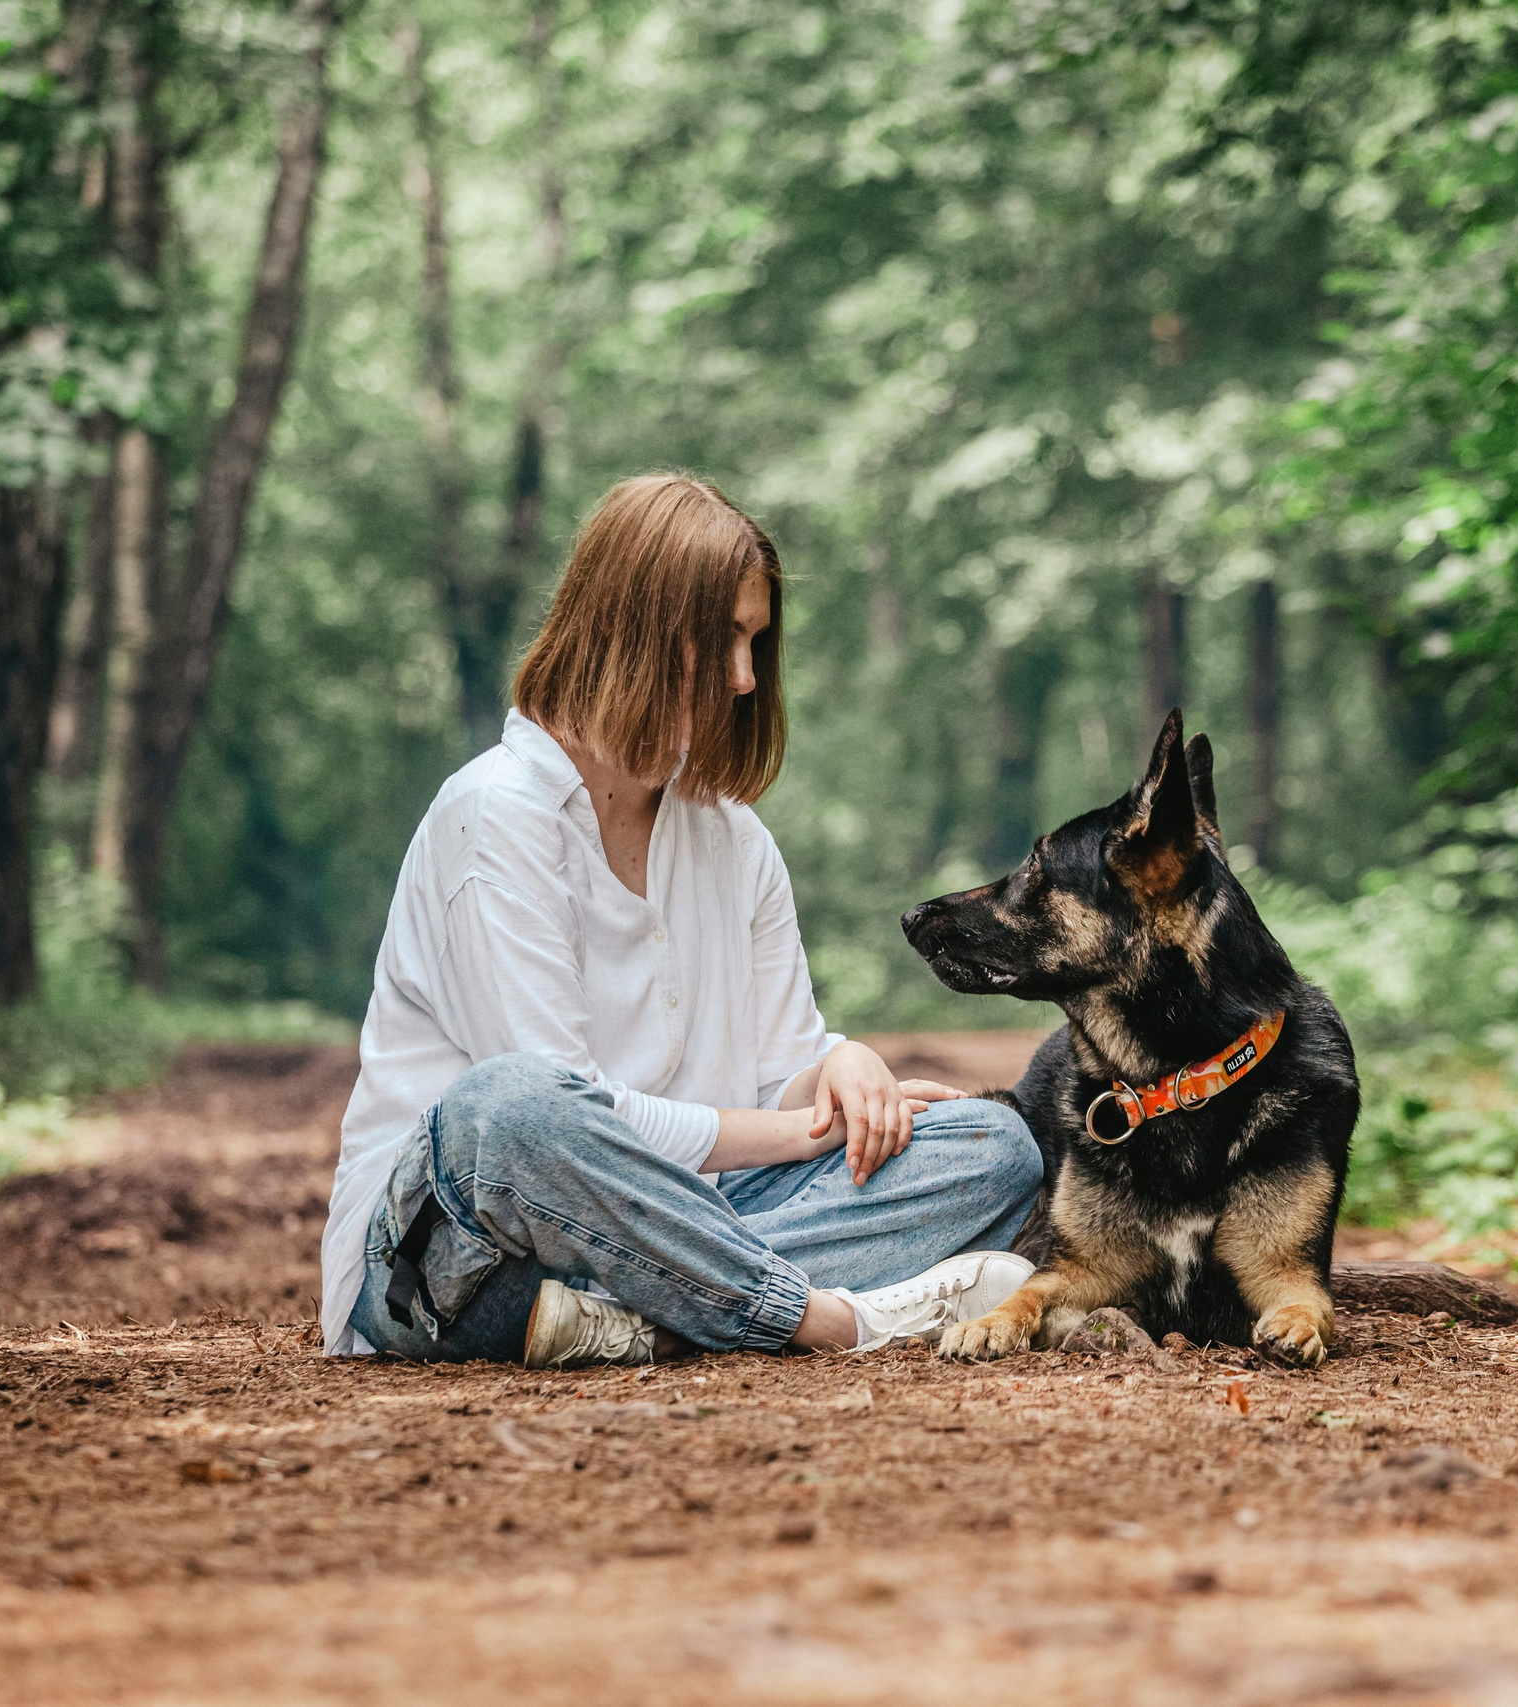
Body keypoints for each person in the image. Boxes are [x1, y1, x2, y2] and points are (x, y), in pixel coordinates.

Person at [319, 472, 1043, 1367]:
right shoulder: (493, 816)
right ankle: (819, 1317)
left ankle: (644, 1320)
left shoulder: (733, 840)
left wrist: (840, 1065)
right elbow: (559, 1121)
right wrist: (794, 1131)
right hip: (458, 1261)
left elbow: (783, 1065)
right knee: (510, 1104)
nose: (746, 678)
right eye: (726, 641)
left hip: (677, 1232)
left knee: (995, 1143)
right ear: (638, 632)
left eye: (757, 644)